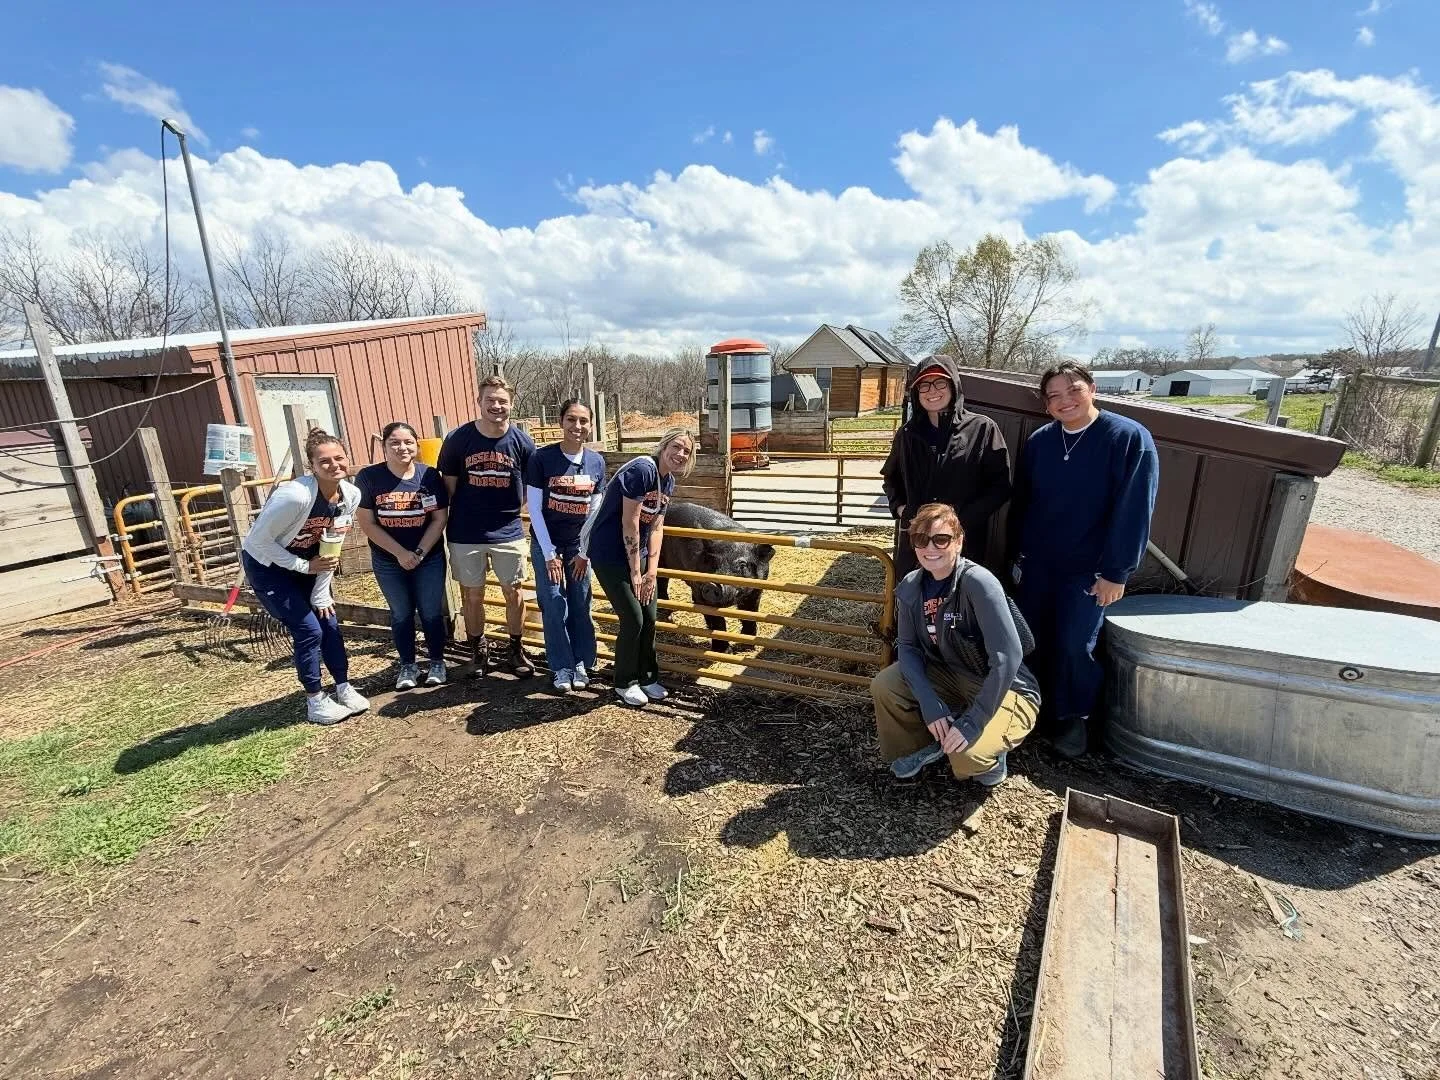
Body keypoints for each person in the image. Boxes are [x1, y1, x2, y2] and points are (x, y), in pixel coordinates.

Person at [1009, 360, 1159, 758]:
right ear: (1046, 405)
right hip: (1039, 563)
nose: (1065, 400)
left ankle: (1073, 718)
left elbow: (1135, 511)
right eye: (1054, 395)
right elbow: (1025, 504)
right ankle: (1030, 709)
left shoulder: (1128, 439)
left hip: (1090, 570)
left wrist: (1117, 572)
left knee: (1076, 643)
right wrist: (1018, 555)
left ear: (1092, 388)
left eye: (1073, 389)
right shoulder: (1041, 441)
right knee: (1030, 638)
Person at [870, 502, 1041, 786]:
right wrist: (929, 703)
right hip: (950, 676)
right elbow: (909, 648)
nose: (931, 548)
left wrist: (975, 722)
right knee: (885, 685)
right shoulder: (912, 585)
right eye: (921, 539)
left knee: (967, 756)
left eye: (941, 539)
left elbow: (1008, 657)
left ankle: (992, 756)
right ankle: (924, 745)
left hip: (1003, 685)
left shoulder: (978, 583)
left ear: (959, 541)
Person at [240, 429, 369, 725]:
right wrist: (302, 567)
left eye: (339, 458)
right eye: (325, 461)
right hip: (270, 568)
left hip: (310, 562)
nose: (334, 465)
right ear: (311, 466)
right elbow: (258, 542)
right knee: (309, 630)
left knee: (329, 622)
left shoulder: (350, 495)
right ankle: (315, 700)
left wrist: (321, 590)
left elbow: (331, 548)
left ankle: (343, 687)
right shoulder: (295, 496)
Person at [577, 428, 694, 707]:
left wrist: (651, 570)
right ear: (663, 446)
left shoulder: (668, 482)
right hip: (610, 554)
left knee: (650, 618)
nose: (679, 454)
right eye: (676, 447)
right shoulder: (642, 470)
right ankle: (624, 681)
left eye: (686, 451)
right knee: (633, 619)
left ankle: (648, 677)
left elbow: (656, 526)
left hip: (638, 554)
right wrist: (635, 572)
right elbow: (629, 522)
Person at [437, 375, 536, 678]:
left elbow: (531, 489)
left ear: (511, 404)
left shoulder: (522, 443)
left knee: (514, 591)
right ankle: (478, 650)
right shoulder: (458, 439)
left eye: (502, 401)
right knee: (471, 594)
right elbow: (448, 488)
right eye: (490, 400)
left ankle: (515, 648)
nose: (496, 406)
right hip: (466, 532)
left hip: (508, 530)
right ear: (479, 402)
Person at [881, 354, 1013, 580]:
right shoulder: (907, 434)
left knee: (957, 605)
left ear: (953, 385)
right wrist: (902, 510)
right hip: (917, 541)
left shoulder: (982, 429)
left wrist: (959, 522)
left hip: (962, 542)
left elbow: (1000, 486)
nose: (932, 391)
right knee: (914, 601)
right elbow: (890, 478)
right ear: (916, 392)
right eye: (924, 385)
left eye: (940, 382)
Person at [354, 421, 451, 691]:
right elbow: (367, 523)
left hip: (427, 557)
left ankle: (436, 662)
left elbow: (438, 518)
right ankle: (407, 665)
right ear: (384, 446)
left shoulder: (429, 476)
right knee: (401, 613)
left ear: (416, 445)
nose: (402, 447)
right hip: (388, 560)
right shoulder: (369, 478)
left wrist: (418, 553)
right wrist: (400, 553)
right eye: (394, 442)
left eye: (408, 442)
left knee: (431, 612)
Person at [526, 399, 607, 693]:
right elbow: (534, 509)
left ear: (590, 425)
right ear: (561, 422)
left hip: (578, 546)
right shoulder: (541, 459)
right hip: (547, 542)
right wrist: (549, 554)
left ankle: (583, 662)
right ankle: (561, 666)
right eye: (571, 420)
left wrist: (584, 553)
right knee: (552, 603)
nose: (577, 426)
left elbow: (595, 511)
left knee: (580, 602)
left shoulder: (596, 462)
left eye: (583, 421)